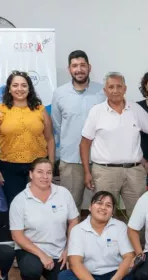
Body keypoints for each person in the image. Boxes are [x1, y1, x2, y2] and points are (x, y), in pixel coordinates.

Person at [80, 72, 148, 217]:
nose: (115, 90)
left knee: (138, 215)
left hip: (134, 172)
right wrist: (87, 172)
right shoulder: (97, 111)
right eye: (111, 87)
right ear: (105, 90)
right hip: (104, 172)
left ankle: (137, 241)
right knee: (103, 215)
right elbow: (84, 143)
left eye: (119, 86)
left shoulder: (136, 109)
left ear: (125, 88)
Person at [10, 158, 80, 280]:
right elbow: (17, 235)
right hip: (31, 250)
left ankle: (50, 276)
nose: (44, 177)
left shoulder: (63, 193)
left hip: (58, 252)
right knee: (32, 270)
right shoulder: (20, 200)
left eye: (48, 173)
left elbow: (74, 221)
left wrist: (69, 248)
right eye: (40, 172)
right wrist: (42, 255)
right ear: (31, 174)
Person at [58, 191, 138, 280]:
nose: (103, 208)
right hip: (89, 276)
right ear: (90, 207)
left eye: (108, 205)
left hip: (114, 274)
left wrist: (117, 278)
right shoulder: (78, 230)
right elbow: (75, 263)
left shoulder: (120, 227)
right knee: (63, 277)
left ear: (112, 212)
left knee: (139, 274)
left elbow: (129, 257)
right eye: (99, 203)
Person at [0, 70, 55, 206]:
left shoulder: (40, 110)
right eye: (15, 85)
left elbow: (50, 139)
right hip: (8, 167)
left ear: (29, 89)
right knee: (16, 206)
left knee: (38, 204)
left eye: (24, 85)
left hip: (38, 167)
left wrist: (51, 166)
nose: (20, 89)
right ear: (9, 89)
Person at [52, 50, 106, 209]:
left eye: (82, 65)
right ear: (69, 69)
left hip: (99, 160)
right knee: (70, 207)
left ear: (89, 67)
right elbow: (57, 125)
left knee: (101, 206)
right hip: (71, 161)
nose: (79, 69)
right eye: (74, 66)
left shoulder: (103, 92)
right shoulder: (60, 93)